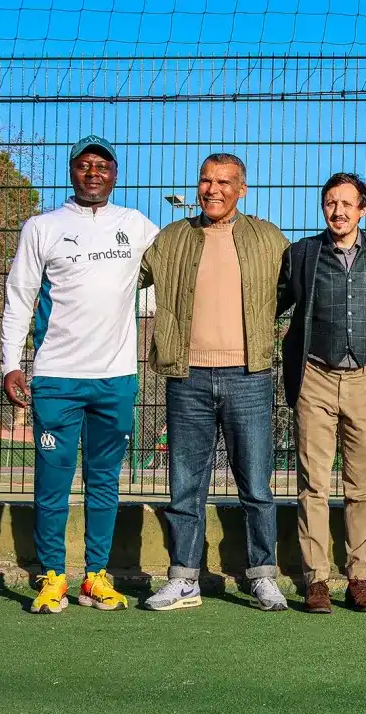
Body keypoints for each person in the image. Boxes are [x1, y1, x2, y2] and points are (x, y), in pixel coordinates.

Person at [1, 135, 158, 613]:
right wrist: (10, 363)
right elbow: (20, 297)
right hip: (56, 378)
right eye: (85, 165)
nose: (94, 173)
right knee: (52, 481)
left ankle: (95, 576)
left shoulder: (137, 226)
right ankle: (51, 577)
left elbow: (170, 275)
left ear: (115, 174)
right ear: (72, 172)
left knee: (104, 480)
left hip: (116, 379)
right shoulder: (43, 227)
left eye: (103, 165)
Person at [140, 153, 290, 612]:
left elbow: (290, 290)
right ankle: (184, 578)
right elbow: (124, 278)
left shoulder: (269, 238)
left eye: (224, 182)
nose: (213, 190)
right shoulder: (171, 239)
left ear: (241, 189)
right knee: (185, 484)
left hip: (250, 376)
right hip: (187, 376)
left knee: (257, 486)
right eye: (206, 180)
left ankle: (263, 576)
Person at [277, 172, 366, 614]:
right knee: (313, 485)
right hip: (316, 378)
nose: (338, 211)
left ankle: (359, 578)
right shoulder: (304, 254)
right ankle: (316, 580)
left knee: (361, 487)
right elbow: (271, 302)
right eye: (330, 203)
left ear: (364, 208)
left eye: (347, 204)